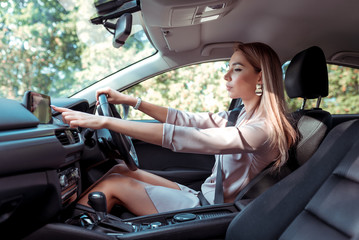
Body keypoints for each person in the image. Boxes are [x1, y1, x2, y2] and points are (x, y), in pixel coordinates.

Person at [52, 42, 297, 216]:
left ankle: (71, 230)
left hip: (211, 210)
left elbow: (190, 137)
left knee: (113, 185)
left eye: (237, 69)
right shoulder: (241, 115)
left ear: (261, 77)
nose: (226, 76)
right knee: (121, 169)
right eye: (229, 67)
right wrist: (131, 101)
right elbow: (186, 120)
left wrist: (104, 122)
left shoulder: (263, 129)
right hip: (203, 196)